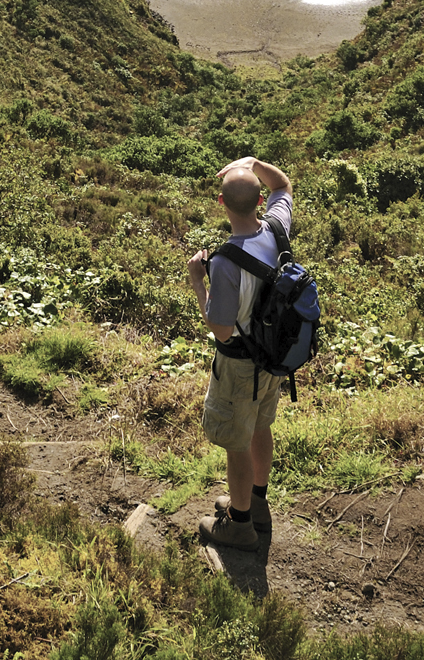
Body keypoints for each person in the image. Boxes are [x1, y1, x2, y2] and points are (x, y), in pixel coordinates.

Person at [187, 154, 292, 551]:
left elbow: (221, 329)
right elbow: (284, 185)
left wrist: (199, 281)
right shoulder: (278, 228)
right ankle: (257, 503)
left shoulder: (227, 263)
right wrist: (255, 163)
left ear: (221, 203)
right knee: (260, 427)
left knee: (236, 442)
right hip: (273, 357)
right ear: (260, 201)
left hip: (239, 365)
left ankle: (240, 524)